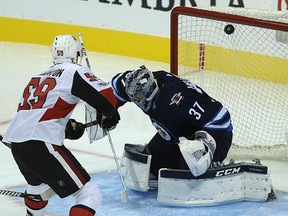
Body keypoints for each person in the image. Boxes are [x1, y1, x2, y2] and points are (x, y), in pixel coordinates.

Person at [3, 34, 120, 216]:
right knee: (89, 193)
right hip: (41, 142)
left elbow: (36, 114)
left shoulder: (38, 76)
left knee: (38, 189)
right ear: (76, 53)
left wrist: (66, 127)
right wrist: (110, 114)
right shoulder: (74, 71)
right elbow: (107, 98)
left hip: (17, 144)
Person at [110, 65, 233, 178]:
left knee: (189, 167)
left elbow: (172, 138)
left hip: (218, 135)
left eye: (138, 97)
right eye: (134, 97)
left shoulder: (167, 107)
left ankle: (209, 161)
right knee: (153, 168)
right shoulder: (153, 79)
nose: (135, 101)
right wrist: (108, 108)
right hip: (192, 125)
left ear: (149, 91)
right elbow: (119, 82)